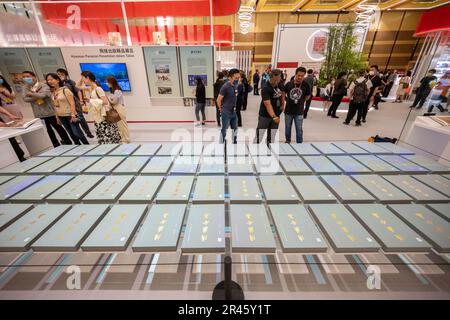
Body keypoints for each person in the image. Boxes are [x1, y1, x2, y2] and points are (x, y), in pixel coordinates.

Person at [22, 70, 72, 147]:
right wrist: (36, 95)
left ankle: (67, 141)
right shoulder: (25, 87)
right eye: (24, 77)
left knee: (58, 128)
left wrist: (31, 94)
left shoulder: (43, 85)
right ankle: (55, 144)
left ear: (34, 77)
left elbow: (45, 95)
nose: (26, 78)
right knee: (48, 130)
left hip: (50, 111)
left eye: (28, 76)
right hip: (38, 113)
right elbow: (25, 99)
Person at [46, 73, 89, 145]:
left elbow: (72, 103)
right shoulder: (53, 92)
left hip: (70, 115)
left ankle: (86, 145)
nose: (49, 81)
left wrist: (73, 115)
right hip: (61, 116)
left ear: (57, 80)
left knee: (77, 133)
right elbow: (55, 106)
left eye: (51, 79)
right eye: (48, 80)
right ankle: (78, 148)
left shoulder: (65, 90)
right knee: (71, 134)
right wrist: (57, 117)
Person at [81, 71, 121, 144]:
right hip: (98, 114)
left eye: (83, 78)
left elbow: (105, 101)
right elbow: (78, 86)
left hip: (107, 113)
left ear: (88, 78)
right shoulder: (92, 89)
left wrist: (91, 100)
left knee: (108, 134)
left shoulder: (99, 89)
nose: (82, 80)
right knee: (102, 134)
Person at [56, 68, 94, 139]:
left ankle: (88, 133)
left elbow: (78, 91)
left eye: (61, 74)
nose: (60, 76)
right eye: (58, 75)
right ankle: (80, 135)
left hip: (75, 104)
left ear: (66, 75)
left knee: (81, 119)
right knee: (73, 122)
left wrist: (81, 100)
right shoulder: (58, 85)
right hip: (65, 107)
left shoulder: (70, 82)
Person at [255, 69, 285, 145]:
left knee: (272, 136)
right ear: (270, 78)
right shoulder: (265, 88)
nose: (276, 82)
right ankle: (255, 148)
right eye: (275, 80)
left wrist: (282, 104)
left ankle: (269, 149)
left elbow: (282, 93)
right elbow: (267, 104)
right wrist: (274, 117)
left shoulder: (280, 83)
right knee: (260, 134)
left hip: (277, 113)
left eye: (278, 80)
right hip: (265, 115)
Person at [284, 67, 311, 143]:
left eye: (302, 76)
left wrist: (301, 100)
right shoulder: (289, 84)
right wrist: (286, 101)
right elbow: (283, 93)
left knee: (299, 129)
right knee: (288, 128)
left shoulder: (306, 85)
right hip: (288, 111)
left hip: (299, 111)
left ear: (304, 75)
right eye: (298, 75)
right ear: (295, 74)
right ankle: (287, 141)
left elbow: (308, 96)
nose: (300, 77)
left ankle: (299, 144)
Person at [217, 68, 240, 144]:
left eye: (238, 78)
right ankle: (221, 143)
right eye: (236, 78)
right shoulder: (225, 87)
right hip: (226, 112)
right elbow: (218, 100)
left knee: (235, 129)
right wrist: (221, 109)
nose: (238, 80)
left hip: (233, 112)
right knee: (224, 130)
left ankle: (234, 142)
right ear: (230, 77)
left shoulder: (234, 86)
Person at [106, 76, 130, 143]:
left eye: (108, 82)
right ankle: (123, 139)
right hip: (116, 108)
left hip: (119, 108)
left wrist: (108, 100)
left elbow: (114, 101)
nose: (107, 84)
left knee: (123, 125)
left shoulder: (117, 91)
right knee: (119, 125)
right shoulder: (114, 91)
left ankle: (126, 139)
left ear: (111, 82)